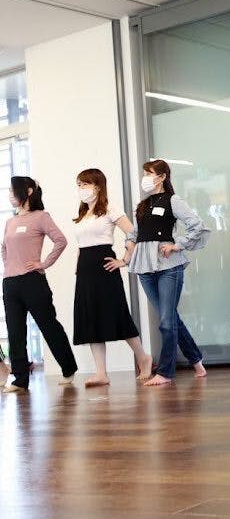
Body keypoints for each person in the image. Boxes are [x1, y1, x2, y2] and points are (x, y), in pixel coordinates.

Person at [123, 160, 210, 386]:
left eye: (149, 173)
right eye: (144, 173)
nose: (145, 177)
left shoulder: (173, 200)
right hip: (144, 266)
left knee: (166, 320)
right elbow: (135, 233)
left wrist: (177, 244)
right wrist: (127, 250)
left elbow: (197, 226)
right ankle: (196, 361)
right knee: (169, 318)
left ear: (162, 177)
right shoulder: (142, 205)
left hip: (168, 265)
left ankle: (165, 373)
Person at [72, 168, 153, 386]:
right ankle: (101, 373)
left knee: (117, 314)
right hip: (85, 270)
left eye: (85, 184)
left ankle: (143, 358)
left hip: (104, 267)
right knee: (91, 318)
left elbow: (134, 233)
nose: (81, 188)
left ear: (98, 186)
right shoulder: (83, 214)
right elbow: (81, 244)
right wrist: (78, 268)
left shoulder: (109, 208)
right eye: (79, 185)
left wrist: (124, 260)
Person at [2, 176, 78, 393]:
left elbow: (61, 241)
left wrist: (43, 264)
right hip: (10, 283)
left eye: (12, 191)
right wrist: (10, 266)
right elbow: (3, 248)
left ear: (27, 191)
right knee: (15, 332)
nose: (9, 195)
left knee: (48, 325)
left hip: (33, 281)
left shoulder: (41, 217)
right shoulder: (10, 222)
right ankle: (20, 380)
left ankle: (68, 368)